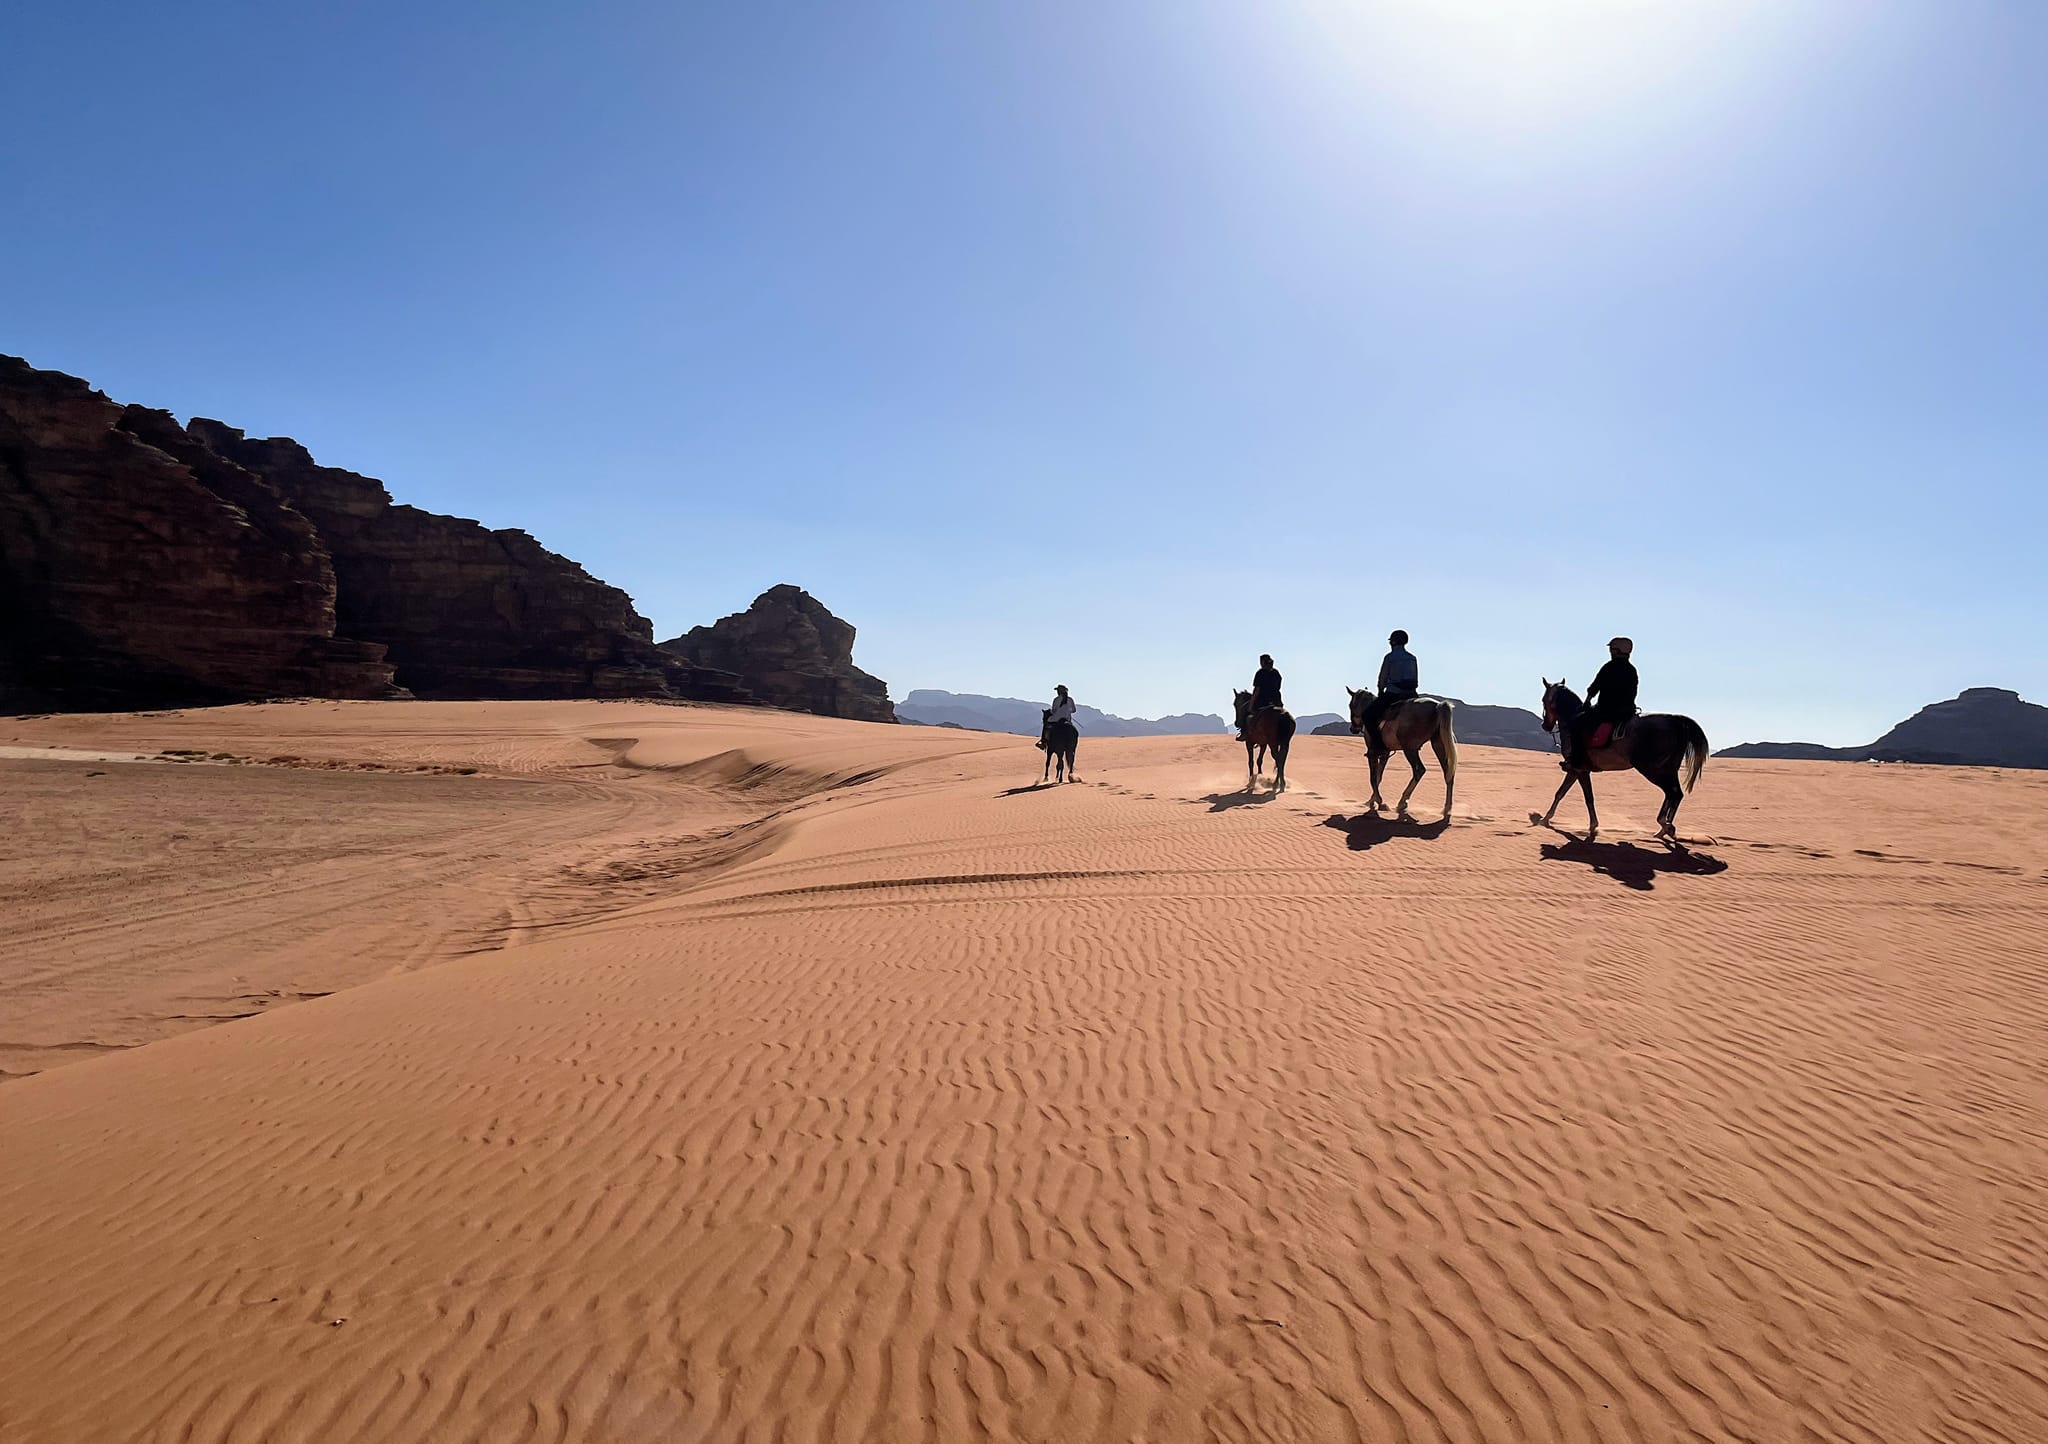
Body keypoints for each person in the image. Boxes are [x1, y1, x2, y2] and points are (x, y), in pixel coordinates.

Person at [1567, 636, 1639, 771]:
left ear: (1616, 651)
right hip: (1628, 711)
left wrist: (1587, 701)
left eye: (1612, 649)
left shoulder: (1609, 667)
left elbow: (1595, 687)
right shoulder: (1632, 669)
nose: (1610, 652)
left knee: (1576, 723)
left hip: (1607, 710)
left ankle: (1576, 761)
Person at [1358, 630, 1419, 746]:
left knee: (1367, 716)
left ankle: (1378, 746)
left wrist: (1380, 690)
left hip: (1393, 694)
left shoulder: (1390, 658)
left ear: (1393, 642)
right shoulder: (1412, 658)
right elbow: (1415, 680)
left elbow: (1383, 678)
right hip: (1411, 694)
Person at [1039, 684, 1077, 750]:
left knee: (1046, 725)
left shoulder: (1056, 699)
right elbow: (1074, 710)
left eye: (1057, 691)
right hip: (1067, 719)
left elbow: (1054, 711)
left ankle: (1043, 742)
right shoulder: (1070, 699)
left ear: (1059, 692)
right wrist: (1068, 711)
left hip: (1056, 719)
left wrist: (1051, 712)